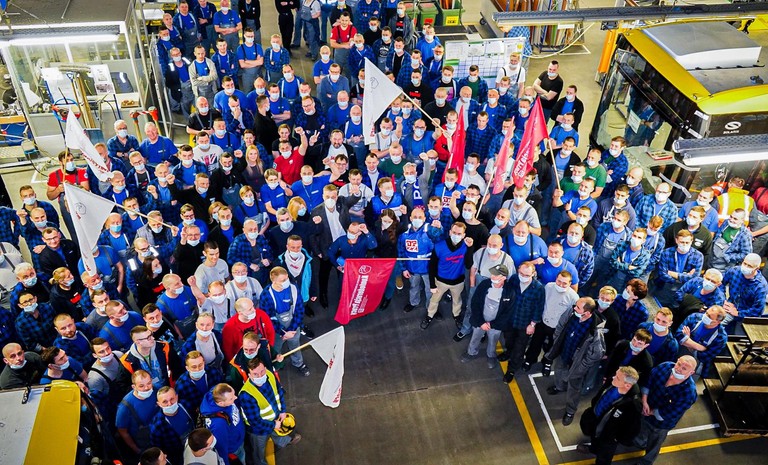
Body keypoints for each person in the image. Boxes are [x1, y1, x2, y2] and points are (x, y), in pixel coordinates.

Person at [544, 297, 605, 426]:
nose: (574, 308)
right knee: (559, 370)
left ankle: (570, 410)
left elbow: (596, 354)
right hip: (564, 353)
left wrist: (582, 366)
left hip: (577, 363)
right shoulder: (572, 314)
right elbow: (561, 325)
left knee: (574, 387)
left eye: (578, 307)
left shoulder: (595, 330)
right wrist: (557, 340)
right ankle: (559, 387)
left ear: (587, 313)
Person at [633, 356, 698, 465]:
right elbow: (648, 382)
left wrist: (650, 412)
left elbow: (672, 412)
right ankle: (640, 443)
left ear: (691, 372)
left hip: (662, 423)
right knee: (642, 427)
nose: (679, 369)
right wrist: (644, 401)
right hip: (647, 406)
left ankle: (646, 461)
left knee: (655, 443)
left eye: (684, 368)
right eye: (679, 364)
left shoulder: (689, 393)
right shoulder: (664, 367)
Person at [239, 357, 301, 465]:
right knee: (259, 450)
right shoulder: (246, 395)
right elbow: (255, 422)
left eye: (262, 371)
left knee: (277, 433)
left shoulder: (270, 375)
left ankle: (284, 441)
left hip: (275, 418)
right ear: (249, 375)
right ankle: (260, 463)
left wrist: (282, 411)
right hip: (258, 430)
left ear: (265, 368)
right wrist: (273, 425)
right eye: (255, 374)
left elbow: (279, 392)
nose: (260, 376)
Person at [576, 366, 642, 465]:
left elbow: (633, 429)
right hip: (596, 421)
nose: (613, 377)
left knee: (604, 457)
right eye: (616, 374)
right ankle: (593, 449)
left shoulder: (633, 404)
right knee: (594, 438)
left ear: (627, 385)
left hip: (609, 436)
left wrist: (616, 438)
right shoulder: (612, 382)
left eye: (617, 378)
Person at [259, 266, 310, 376]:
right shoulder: (266, 295)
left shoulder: (293, 289)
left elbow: (299, 309)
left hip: (293, 326)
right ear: (274, 281)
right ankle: (276, 365)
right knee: (275, 349)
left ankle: (298, 363)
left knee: (295, 345)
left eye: (287, 278)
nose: (286, 282)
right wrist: (283, 332)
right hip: (276, 330)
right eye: (283, 280)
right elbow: (268, 318)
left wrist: (292, 329)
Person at [499, 261, 545, 383]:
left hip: (525, 324)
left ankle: (511, 369)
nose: (523, 277)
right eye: (521, 274)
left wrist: (532, 324)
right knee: (508, 340)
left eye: (527, 275)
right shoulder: (514, 279)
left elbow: (538, 308)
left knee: (519, 348)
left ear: (533, 274)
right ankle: (508, 353)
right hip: (510, 320)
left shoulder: (538, 288)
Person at [523, 271, 579, 372]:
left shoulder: (574, 297)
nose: (560, 285)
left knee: (552, 347)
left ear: (570, 283)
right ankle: (529, 360)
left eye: (564, 283)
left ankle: (547, 363)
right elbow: (541, 302)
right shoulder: (548, 287)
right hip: (543, 322)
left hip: (558, 327)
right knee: (535, 342)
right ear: (556, 279)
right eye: (559, 281)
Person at [460, 264, 513, 369]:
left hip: (496, 325)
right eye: (492, 274)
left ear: (504, 278)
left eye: (496, 275)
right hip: (480, 321)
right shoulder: (484, 284)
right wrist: (481, 322)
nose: (492, 277)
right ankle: (471, 352)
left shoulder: (510, 291)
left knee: (493, 340)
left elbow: (508, 313)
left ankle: (491, 356)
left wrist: (492, 324)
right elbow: (475, 303)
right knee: (475, 337)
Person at [423, 222, 474, 330]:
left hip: (458, 282)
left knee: (457, 301)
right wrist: (432, 285)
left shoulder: (466, 246)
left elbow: (468, 265)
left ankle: (456, 316)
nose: (456, 235)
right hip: (440, 281)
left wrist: (470, 248)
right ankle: (429, 316)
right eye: (454, 232)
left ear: (464, 235)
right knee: (434, 300)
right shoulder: (439, 246)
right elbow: (432, 266)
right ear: (450, 232)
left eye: (459, 234)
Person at [116, 370, 160, 460]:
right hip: (145, 444)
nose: (147, 388)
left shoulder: (156, 390)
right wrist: (137, 450)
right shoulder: (125, 407)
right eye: (141, 386)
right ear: (133, 386)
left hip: (160, 435)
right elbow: (123, 432)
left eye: (149, 383)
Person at [653, 229, 704, 308]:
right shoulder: (666, 252)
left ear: (691, 241)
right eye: (682, 242)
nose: (684, 244)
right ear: (676, 240)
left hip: (684, 290)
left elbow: (694, 278)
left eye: (687, 242)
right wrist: (684, 277)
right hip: (665, 288)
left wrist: (672, 274)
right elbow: (662, 274)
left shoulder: (698, 256)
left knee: (676, 310)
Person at [46, 150, 89, 242]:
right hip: (67, 210)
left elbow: (86, 190)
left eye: (72, 160)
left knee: (88, 229)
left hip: (82, 206)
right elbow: (50, 196)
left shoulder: (81, 172)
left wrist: (72, 186)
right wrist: (58, 190)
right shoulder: (53, 176)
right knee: (74, 232)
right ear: (60, 162)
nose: (70, 162)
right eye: (67, 160)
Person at [720, 253, 768, 334]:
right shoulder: (734, 271)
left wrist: (738, 313)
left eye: (749, 266)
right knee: (714, 325)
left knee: (740, 338)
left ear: (757, 268)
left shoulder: (760, 286)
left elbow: (757, 311)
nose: (745, 267)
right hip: (729, 306)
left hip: (746, 315)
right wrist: (723, 300)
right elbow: (720, 283)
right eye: (744, 263)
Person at [199, 383, 247, 464]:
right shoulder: (218, 424)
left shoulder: (217, 392)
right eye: (231, 398)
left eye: (234, 394)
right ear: (221, 403)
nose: (235, 397)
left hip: (238, 439)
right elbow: (221, 448)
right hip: (234, 448)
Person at [675, 305, 727, 378]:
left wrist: (688, 340)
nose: (705, 316)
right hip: (678, 351)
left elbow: (704, 357)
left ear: (718, 322)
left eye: (709, 317)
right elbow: (678, 334)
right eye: (706, 313)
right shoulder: (695, 317)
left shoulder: (721, 338)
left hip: (695, 362)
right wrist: (699, 347)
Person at [149, 386, 196, 465]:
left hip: (195, 443)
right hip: (178, 456)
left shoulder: (186, 405)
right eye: (165, 402)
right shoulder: (157, 426)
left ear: (177, 397)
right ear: (159, 404)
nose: (170, 404)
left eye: (172, 399)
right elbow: (158, 449)